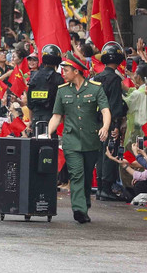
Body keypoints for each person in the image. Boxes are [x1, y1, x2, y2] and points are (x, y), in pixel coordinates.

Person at [47, 52, 111, 223]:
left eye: (66, 70)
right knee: (76, 174)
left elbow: (105, 110)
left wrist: (105, 127)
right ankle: (78, 209)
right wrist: (48, 133)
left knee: (87, 175)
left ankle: (84, 205)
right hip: (71, 140)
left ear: (76, 71)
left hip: (91, 140)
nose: (63, 73)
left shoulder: (95, 88)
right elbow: (56, 116)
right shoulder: (62, 91)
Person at [95, 41, 129, 202]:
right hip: (109, 123)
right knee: (109, 153)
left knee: (100, 154)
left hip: (96, 122)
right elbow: (114, 105)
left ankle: (100, 188)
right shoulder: (114, 79)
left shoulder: (97, 77)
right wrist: (115, 125)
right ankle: (106, 189)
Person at [24, 44, 64, 133]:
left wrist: (31, 120)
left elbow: (30, 103)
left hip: (36, 121)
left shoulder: (34, 77)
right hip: (53, 121)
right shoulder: (58, 78)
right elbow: (61, 102)